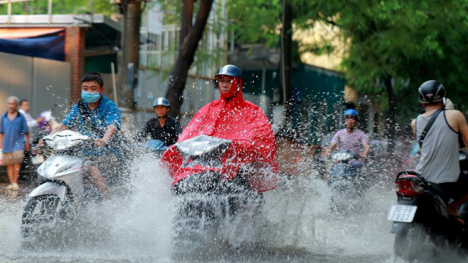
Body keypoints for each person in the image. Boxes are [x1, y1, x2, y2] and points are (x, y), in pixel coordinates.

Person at [162, 64, 279, 192]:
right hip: (204, 165)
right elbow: (188, 135)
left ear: (238, 83)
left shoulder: (252, 111)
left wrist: (236, 146)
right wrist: (178, 147)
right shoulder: (208, 109)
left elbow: (259, 139)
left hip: (236, 167)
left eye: (229, 81)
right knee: (179, 186)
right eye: (222, 81)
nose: (224, 84)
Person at [50, 72, 121, 198]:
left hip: (107, 152)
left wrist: (104, 139)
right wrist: (49, 136)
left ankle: (108, 202)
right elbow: (63, 125)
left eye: (93, 89)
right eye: (85, 89)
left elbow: (112, 126)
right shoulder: (79, 107)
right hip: (84, 151)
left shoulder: (109, 106)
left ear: (101, 90)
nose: (89, 92)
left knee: (90, 167)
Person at [411, 80, 468, 218]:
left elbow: (425, 147)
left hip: (421, 178)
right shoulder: (455, 115)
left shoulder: (415, 122)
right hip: (446, 180)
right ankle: (452, 208)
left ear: (422, 102)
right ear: (443, 97)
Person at [0, 96, 29, 190]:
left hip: (19, 142)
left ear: (16, 105)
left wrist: (27, 143)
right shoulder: (3, 116)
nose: (11, 106)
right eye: (9, 104)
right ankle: (12, 182)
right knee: (9, 163)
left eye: (13, 104)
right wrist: (1, 143)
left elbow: (26, 131)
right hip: (7, 143)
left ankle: (15, 182)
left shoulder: (20, 116)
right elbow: (2, 132)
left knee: (17, 162)